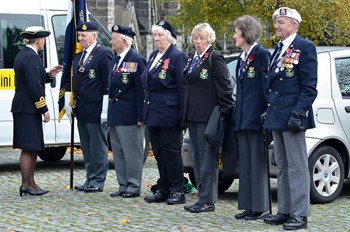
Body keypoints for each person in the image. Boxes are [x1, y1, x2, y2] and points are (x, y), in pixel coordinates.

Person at [263, 7, 318, 230]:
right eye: (276, 21)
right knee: (283, 166)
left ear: (294, 25)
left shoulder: (304, 47)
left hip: (293, 115)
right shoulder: (279, 49)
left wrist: (299, 112)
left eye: (282, 22)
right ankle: (284, 210)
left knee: (297, 167)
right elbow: (274, 84)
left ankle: (300, 214)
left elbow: (309, 86)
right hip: (277, 114)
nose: (277, 25)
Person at [183, 23, 234, 213]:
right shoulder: (192, 59)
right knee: (197, 159)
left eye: (201, 38)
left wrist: (225, 113)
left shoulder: (214, 58)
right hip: (192, 116)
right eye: (195, 38)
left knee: (207, 160)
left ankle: (208, 200)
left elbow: (225, 88)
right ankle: (201, 197)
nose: (198, 42)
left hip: (208, 117)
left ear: (209, 39)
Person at [11, 26, 62, 196]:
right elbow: (34, 87)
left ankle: (31, 183)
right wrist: (44, 110)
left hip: (24, 107)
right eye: (43, 40)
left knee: (32, 147)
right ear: (39, 40)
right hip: (28, 108)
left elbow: (32, 79)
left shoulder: (24, 55)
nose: (44, 43)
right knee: (28, 147)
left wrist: (49, 74)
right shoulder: (32, 57)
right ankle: (26, 184)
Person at [142, 20, 187, 205]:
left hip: (169, 113)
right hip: (153, 113)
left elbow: (183, 89)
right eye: (155, 35)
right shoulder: (154, 56)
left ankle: (178, 189)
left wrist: (183, 116)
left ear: (169, 37)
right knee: (159, 152)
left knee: (171, 153)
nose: (157, 39)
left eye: (160, 35)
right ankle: (164, 187)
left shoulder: (177, 56)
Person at [65, 22, 113, 193]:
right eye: (79, 36)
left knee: (98, 146)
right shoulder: (79, 56)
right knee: (86, 146)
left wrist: (105, 109)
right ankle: (90, 178)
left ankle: (98, 180)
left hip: (96, 108)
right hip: (82, 108)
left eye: (84, 36)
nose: (80, 38)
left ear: (94, 36)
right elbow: (73, 80)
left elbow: (107, 82)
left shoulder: (103, 53)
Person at [232, 15, 271, 220]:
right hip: (242, 117)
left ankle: (260, 206)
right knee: (246, 164)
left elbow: (266, 87)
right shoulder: (242, 58)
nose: (233, 36)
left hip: (256, 117)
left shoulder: (261, 54)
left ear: (246, 33)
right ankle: (248, 205)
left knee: (257, 164)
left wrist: (267, 113)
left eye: (236, 32)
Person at [108, 25, 146, 198]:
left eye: (114, 38)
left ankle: (133, 184)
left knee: (132, 152)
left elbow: (141, 90)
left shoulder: (135, 59)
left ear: (124, 40)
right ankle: (123, 184)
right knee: (118, 152)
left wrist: (141, 116)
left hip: (130, 115)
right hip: (116, 113)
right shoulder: (117, 60)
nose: (111, 41)